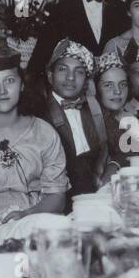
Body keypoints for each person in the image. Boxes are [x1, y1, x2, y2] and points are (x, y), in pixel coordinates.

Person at [0, 46, 69, 233]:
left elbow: (57, 197)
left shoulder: (44, 133)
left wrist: (26, 215)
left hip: (33, 222)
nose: (2, 91)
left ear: (22, 84)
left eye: (9, 81)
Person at [41, 39, 108, 198]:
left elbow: (117, 144)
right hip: (56, 197)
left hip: (93, 194)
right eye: (63, 69)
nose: (70, 77)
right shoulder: (38, 113)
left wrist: (110, 170)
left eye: (79, 71)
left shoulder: (95, 108)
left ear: (86, 81)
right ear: (50, 75)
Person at [94, 51, 132, 175]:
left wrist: (114, 164)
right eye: (108, 85)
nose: (117, 92)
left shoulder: (121, 117)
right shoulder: (91, 119)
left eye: (123, 85)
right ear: (96, 88)